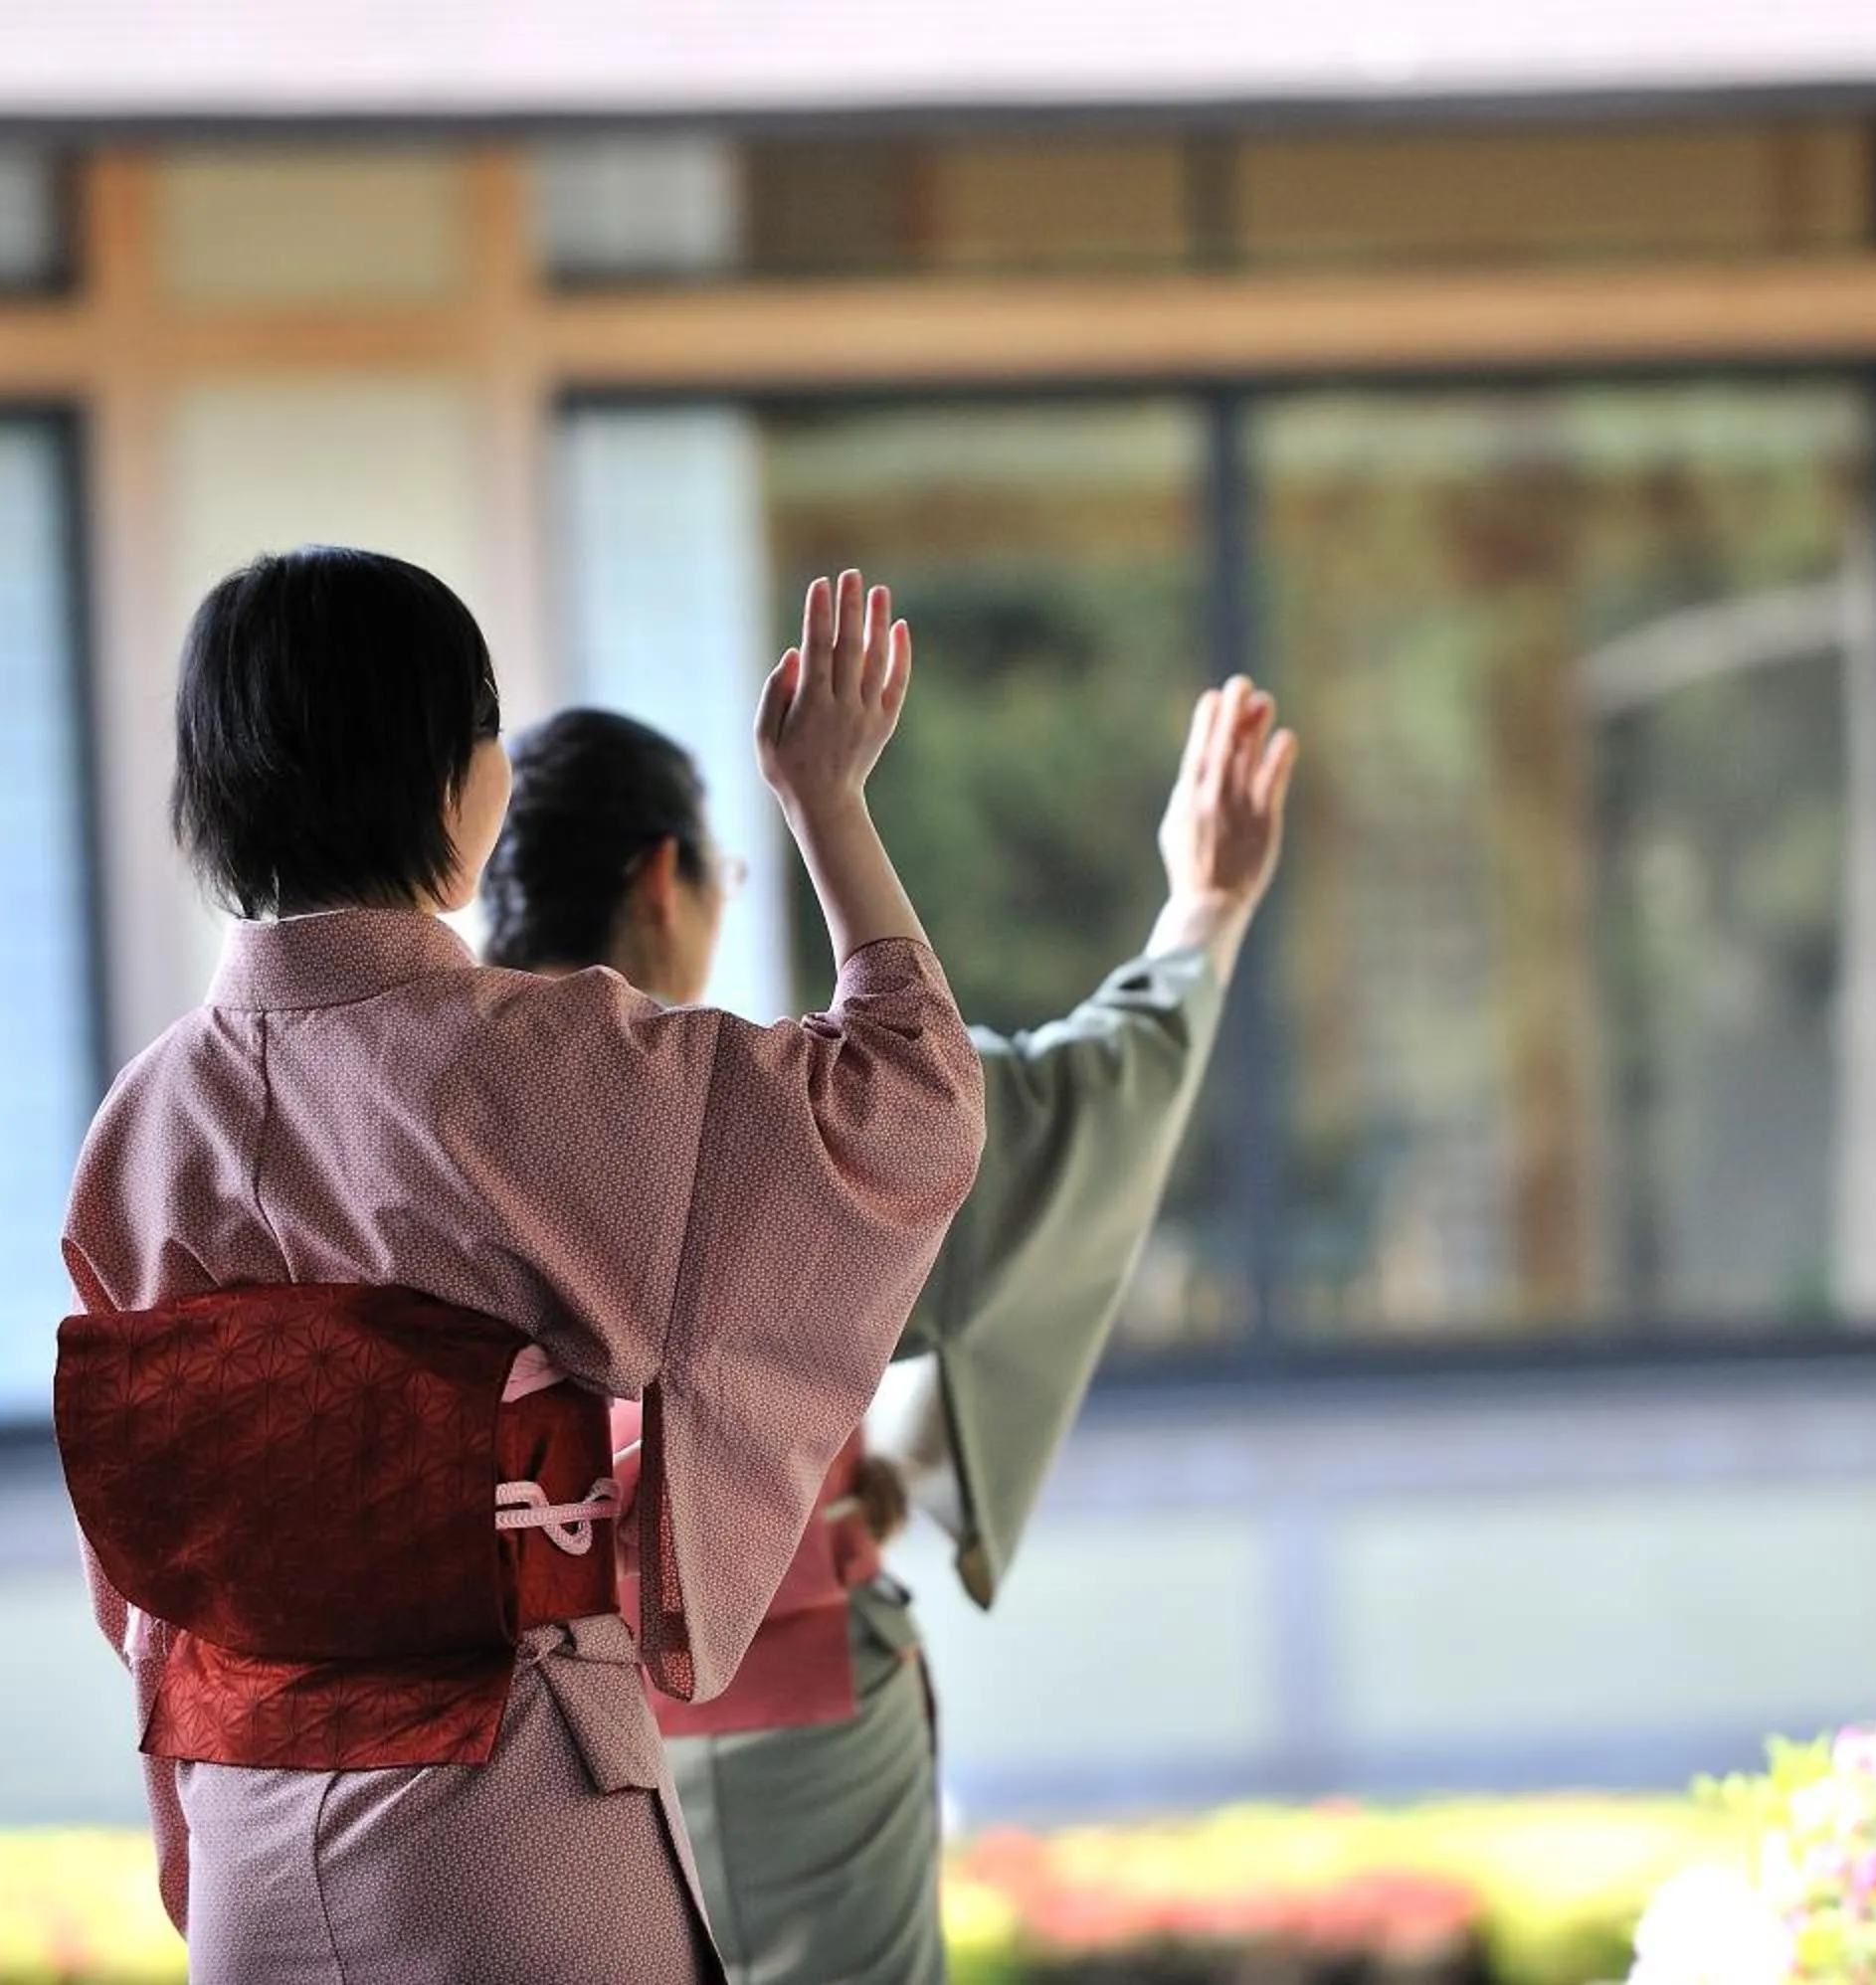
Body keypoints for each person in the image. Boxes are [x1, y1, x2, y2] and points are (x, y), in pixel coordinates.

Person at [55, 550, 984, 1985]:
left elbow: (146, 1583)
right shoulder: (540, 1065)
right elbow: (907, 1103)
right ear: (448, 774)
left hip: (247, 1844)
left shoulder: (141, 1126)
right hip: (501, 1828)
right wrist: (827, 802)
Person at [481, 676, 1298, 1984]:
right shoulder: (751, 1113)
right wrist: (1202, 909)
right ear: (660, 880)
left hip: (507, 1735)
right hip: (776, 1705)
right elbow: (1039, 1121)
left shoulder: (427, 1112)